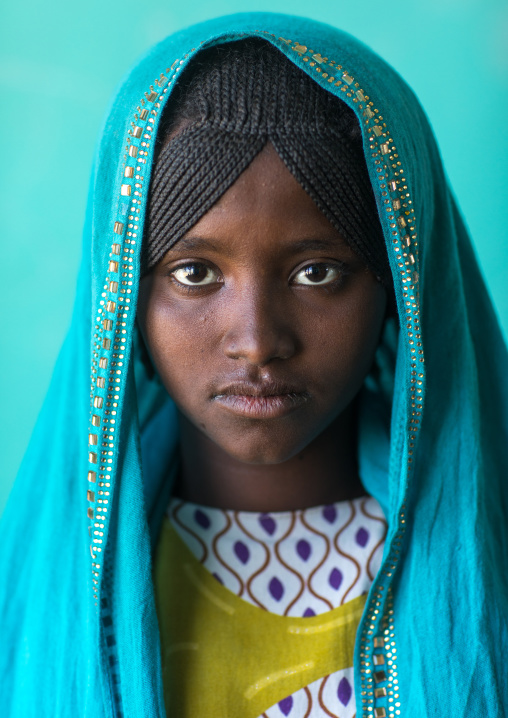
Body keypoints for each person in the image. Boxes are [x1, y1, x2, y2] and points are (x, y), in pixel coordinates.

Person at [1, 12, 507, 718]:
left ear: (400, 287)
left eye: (319, 272)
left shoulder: (484, 572)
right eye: (195, 273)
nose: (258, 339)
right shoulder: (56, 594)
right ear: (121, 300)